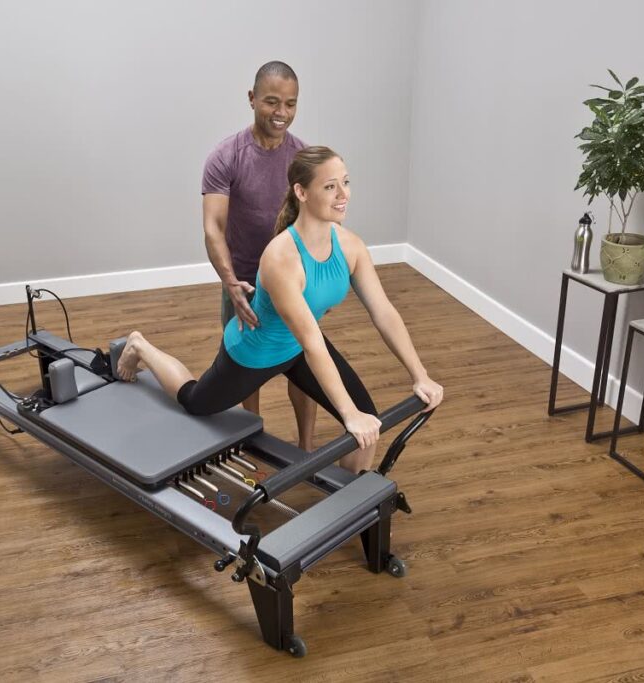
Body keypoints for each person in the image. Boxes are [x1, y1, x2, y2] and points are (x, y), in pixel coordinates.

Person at [118, 147, 444, 474]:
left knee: (368, 428)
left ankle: (349, 497)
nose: (343, 194)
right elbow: (313, 342)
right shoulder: (281, 259)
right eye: (330, 186)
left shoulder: (350, 246)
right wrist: (348, 413)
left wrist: (420, 375)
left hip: (299, 346)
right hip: (256, 351)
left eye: (346, 182)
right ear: (301, 192)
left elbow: (383, 311)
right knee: (195, 401)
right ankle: (140, 346)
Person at [202, 60, 319, 451]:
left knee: (305, 366)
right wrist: (230, 284)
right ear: (252, 99)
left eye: (290, 103)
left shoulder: (303, 160)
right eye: (272, 101)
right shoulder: (226, 156)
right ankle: (252, 441)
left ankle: (306, 450)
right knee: (244, 371)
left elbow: (318, 225)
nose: (281, 112)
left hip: (293, 282)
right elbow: (213, 227)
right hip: (244, 283)